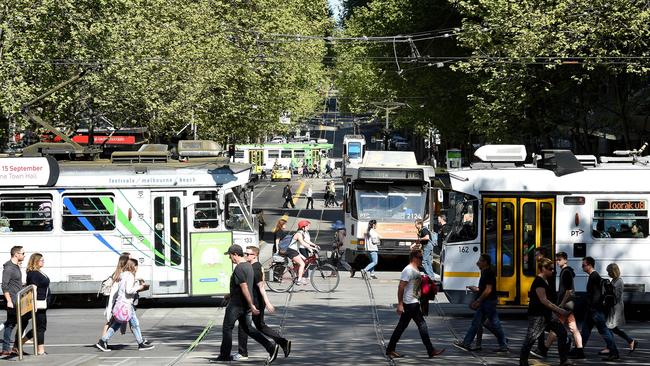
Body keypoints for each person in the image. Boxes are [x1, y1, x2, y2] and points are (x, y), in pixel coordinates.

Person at [213, 245, 280, 363]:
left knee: (227, 328)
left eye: (230, 255)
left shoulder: (239, 268)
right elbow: (243, 286)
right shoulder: (249, 266)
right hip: (243, 304)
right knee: (248, 329)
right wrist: (231, 295)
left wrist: (251, 305)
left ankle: (224, 355)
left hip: (236, 305)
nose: (230, 258)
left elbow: (244, 287)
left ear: (235, 254)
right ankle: (271, 347)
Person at [233, 246, 291, 360]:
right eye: (245, 253)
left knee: (246, 326)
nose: (246, 255)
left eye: (248, 254)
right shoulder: (254, 266)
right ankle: (282, 342)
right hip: (255, 301)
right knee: (259, 326)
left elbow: (261, 286)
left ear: (255, 255)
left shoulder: (255, 269)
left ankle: (244, 352)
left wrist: (267, 302)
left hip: (256, 302)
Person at [385, 249, 445, 359]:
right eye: (420, 258)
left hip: (414, 302)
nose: (422, 260)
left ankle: (390, 349)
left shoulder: (415, 269)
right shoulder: (408, 270)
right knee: (421, 326)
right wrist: (400, 304)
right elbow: (401, 287)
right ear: (414, 258)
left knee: (401, 327)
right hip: (410, 304)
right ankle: (430, 350)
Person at [519, 258, 571, 366]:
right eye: (550, 269)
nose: (553, 271)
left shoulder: (546, 280)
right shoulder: (538, 281)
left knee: (562, 332)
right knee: (531, 338)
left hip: (547, 314)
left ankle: (564, 360)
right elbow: (544, 301)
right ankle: (523, 362)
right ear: (543, 269)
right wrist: (560, 310)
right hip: (538, 315)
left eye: (553, 269)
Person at [453, 254, 508, 353]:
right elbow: (484, 289)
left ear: (485, 262)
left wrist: (478, 300)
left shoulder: (489, 273)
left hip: (489, 302)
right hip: (485, 302)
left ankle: (503, 344)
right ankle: (466, 343)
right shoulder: (484, 272)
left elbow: (488, 289)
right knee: (476, 323)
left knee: (495, 324)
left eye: (480, 260)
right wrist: (476, 289)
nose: (477, 262)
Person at [96, 259, 154, 352]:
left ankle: (103, 341)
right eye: (137, 266)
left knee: (118, 324)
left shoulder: (123, 274)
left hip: (121, 304)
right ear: (133, 266)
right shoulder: (130, 275)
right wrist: (141, 287)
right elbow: (129, 290)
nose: (137, 268)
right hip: (126, 305)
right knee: (134, 324)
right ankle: (141, 343)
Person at [544, 252, 584, 359]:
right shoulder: (566, 271)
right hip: (569, 305)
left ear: (565, 260)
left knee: (555, 327)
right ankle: (580, 351)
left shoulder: (566, 272)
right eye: (556, 260)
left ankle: (544, 349)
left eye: (559, 259)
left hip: (565, 305)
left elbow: (569, 291)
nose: (557, 262)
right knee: (574, 328)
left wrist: (561, 304)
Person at [580, 256, 619, 361]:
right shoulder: (593, 276)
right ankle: (578, 350)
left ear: (589, 265)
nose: (582, 267)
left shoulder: (594, 276)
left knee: (604, 331)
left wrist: (593, 308)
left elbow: (597, 295)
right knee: (585, 330)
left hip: (595, 310)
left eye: (583, 265)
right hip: (592, 310)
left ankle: (614, 352)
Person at [602, 263, 638, 355]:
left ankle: (611, 347)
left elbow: (616, 296)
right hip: (612, 307)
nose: (608, 274)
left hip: (616, 308)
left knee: (609, 328)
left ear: (613, 271)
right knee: (613, 328)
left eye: (609, 272)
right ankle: (630, 341)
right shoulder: (614, 280)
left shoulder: (619, 282)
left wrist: (609, 290)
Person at [22, 253, 50, 355]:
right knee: (40, 327)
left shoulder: (38, 272)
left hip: (42, 303)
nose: (43, 261)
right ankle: (40, 350)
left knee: (40, 327)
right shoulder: (34, 273)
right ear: (35, 261)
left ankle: (20, 342)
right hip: (38, 303)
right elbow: (33, 288)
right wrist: (33, 304)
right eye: (41, 260)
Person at [2, 246, 27, 356]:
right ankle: (7, 348)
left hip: (19, 299)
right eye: (22, 253)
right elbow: (4, 286)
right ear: (16, 254)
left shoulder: (16, 266)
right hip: (12, 300)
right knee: (11, 324)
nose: (24, 255)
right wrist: (9, 301)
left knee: (22, 321)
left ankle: (15, 347)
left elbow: (15, 283)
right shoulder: (9, 268)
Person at [101, 253, 131, 338]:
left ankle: (103, 341)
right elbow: (114, 295)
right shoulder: (120, 275)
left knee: (113, 322)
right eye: (129, 260)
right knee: (110, 322)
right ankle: (102, 341)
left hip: (119, 302)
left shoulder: (120, 273)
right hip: (117, 303)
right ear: (125, 262)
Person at [286, 220, 320, 285]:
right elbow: (303, 243)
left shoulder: (301, 233)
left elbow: (307, 241)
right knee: (302, 264)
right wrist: (312, 248)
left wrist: (315, 245)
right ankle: (299, 280)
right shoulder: (298, 234)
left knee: (305, 260)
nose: (308, 227)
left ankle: (294, 271)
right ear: (303, 227)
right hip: (291, 251)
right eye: (307, 226)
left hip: (294, 251)